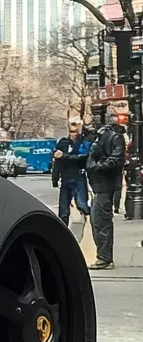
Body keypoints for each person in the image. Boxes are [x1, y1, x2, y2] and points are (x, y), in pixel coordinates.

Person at [85, 108, 128, 270]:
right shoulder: (98, 136)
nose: (94, 119)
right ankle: (103, 256)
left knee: (100, 220)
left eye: (97, 116)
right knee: (97, 220)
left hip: (104, 185)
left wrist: (96, 167)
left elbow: (116, 160)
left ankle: (104, 258)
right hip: (98, 185)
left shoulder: (114, 137)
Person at [51, 119, 91, 227]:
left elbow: (83, 158)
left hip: (78, 176)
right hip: (66, 177)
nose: (73, 134)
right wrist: (55, 178)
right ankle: (63, 230)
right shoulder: (63, 142)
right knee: (63, 209)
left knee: (82, 204)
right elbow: (57, 162)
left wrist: (64, 156)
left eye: (75, 131)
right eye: (71, 131)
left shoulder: (83, 143)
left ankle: (90, 224)